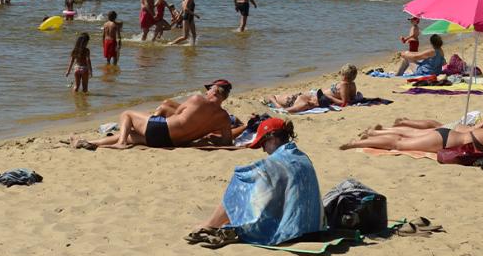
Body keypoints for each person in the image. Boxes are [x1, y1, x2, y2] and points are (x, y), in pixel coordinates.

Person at [189, 118, 323, 246]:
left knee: (240, 181)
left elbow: (244, 176)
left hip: (291, 233)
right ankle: (222, 224)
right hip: (314, 228)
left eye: (263, 144)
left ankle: (211, 225)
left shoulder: (276, 163)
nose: (263, 149)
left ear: (273, 139)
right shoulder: (301, 156)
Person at [72, 79, 234, 149]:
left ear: (214, 90)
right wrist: (209, 137)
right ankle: (90, 143)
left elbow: (177, 113)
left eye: (209, 89)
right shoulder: (224, 118)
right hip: (173, 143)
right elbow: (226, 142)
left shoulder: (197, 99)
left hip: (162, 130)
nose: (207, 92)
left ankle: (120, 143)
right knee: (132, 136)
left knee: (127, 114)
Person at [340, 99, 483, 155]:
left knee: (404, 140)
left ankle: (366, 138)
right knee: (399, 144)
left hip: (447, 137)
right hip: (444, 140)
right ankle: (356, 143)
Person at [267, 64, 359, 113]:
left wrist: (330, 98)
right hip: (312, 97)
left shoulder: (343, 84)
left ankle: (278, 106)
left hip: (314, 98)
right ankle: (276, 104)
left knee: (295, 102)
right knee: (282, 99)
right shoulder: (352, 84)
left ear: (344, 75)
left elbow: (345, 102)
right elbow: (352, 98)